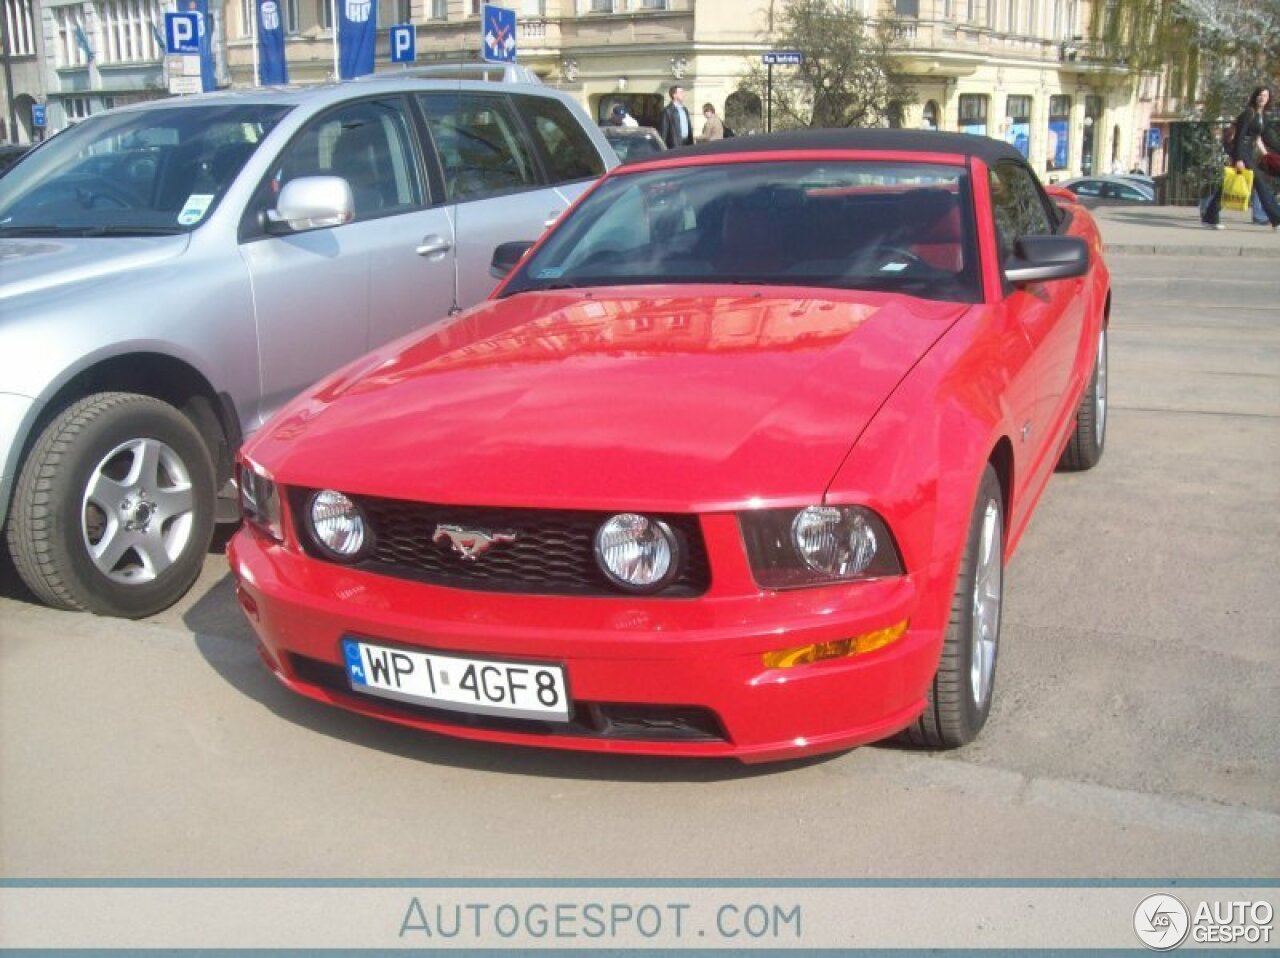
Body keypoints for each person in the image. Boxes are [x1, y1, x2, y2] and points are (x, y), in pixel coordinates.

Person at [1201, 85, 1280, 230]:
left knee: (1228, 185)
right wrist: (1238, 159)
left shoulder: (1262, 117)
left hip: (1248, 152)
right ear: (1255, 96)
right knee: (1261, 183)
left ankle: (1210, 216)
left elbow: (1268, 138)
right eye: (1260, 95)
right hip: (1242, 152)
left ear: (1269, 99)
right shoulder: (1248, 114)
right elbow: (1239, 136)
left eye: (1266, 96)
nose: (1263, 98)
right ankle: (1277, 219)